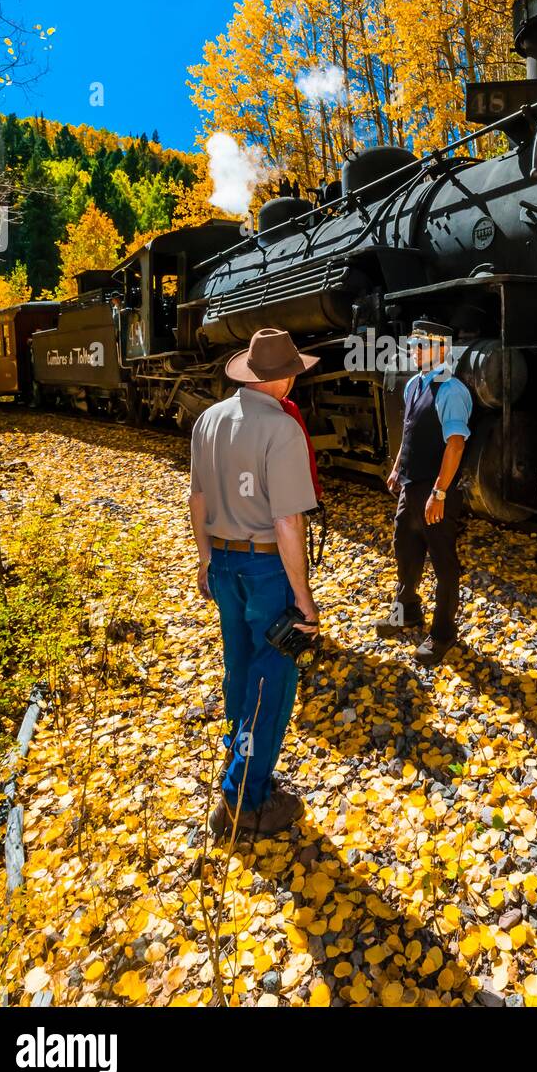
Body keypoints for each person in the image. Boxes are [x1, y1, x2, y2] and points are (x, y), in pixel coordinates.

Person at [188, 327, 319, 840]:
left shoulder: (208, 420)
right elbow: (288, 522)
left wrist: (204, 560)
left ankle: (238, 761)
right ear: (281, 376)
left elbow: (197, 499)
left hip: (221, 562)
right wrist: (305, 601)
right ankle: (245, 798)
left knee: (239, 669)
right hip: (266, 569)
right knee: (272, 681)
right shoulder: (281, 428)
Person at [375, 319, 473, 666]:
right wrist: (397, 468)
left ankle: (444, 633)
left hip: (437, 493)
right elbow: (410, 430)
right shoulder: (414, 384)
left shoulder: (452, 390)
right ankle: (408, 612)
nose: (414, 352)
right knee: (405, 549)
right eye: (413, 345)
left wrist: (440, 492)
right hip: (411, 487)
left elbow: (456, 446)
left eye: (422, 346)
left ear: (442, 350)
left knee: (444, 563)